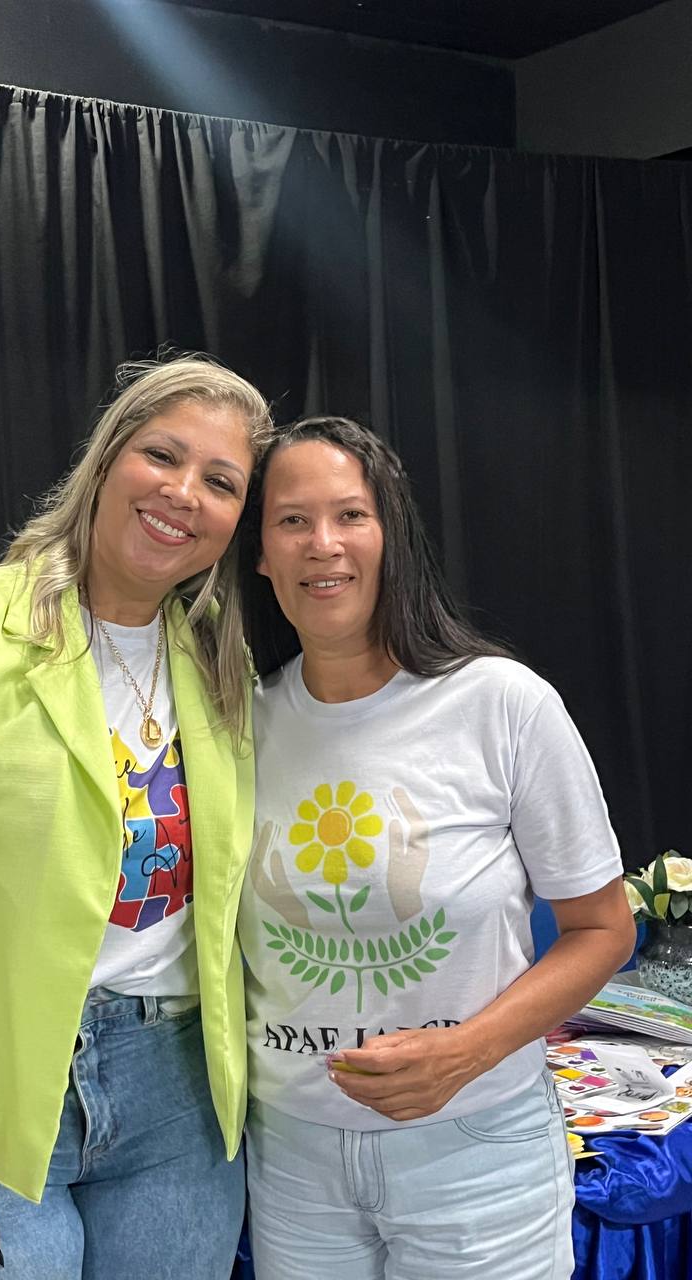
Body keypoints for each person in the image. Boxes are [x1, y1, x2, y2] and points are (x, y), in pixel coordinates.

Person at [0, 355, 273, 1280]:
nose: (183, 493)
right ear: (107, 460)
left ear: (237, 521)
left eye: (221, 482)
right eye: (163, 455)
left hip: (178, 1101)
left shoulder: (219, 671)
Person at [236, 416, 636, 1280]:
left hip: (477, 1150)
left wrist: (470, 1049)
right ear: (260, 553)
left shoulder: (503, 705)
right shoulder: (239, 724)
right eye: (292, 521)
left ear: (392, 533)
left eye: (350, 515)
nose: (322, 544)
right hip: (294, 1160)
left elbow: (604, 929)